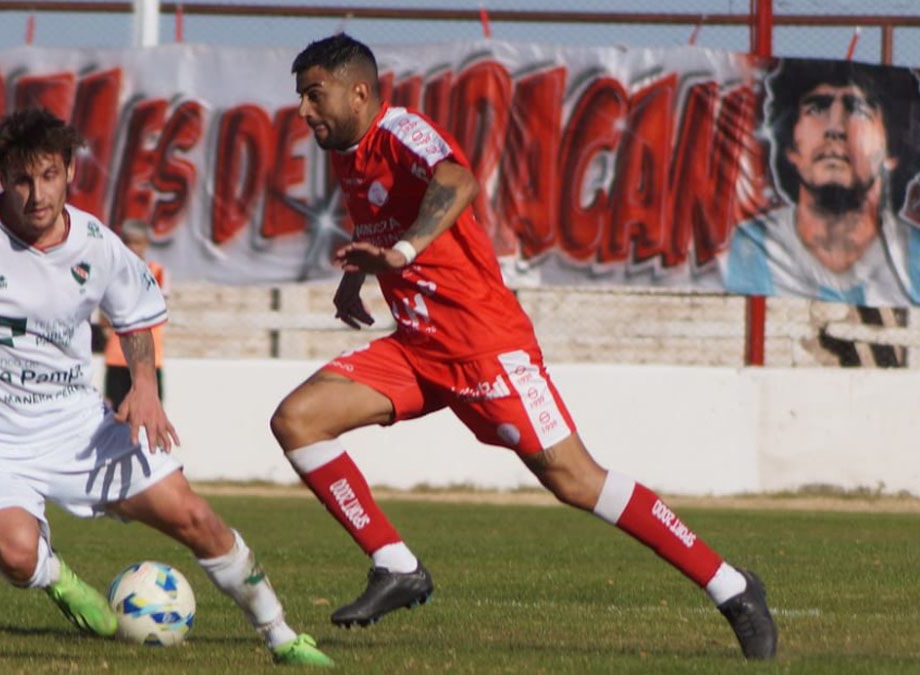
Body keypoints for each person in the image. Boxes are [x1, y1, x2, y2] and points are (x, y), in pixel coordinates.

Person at [271, 34, 777, 660]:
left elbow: (458, 181)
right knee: (297, 421)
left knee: (575, 479)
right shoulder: (348, 152)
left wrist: (400, 254)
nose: (304, 111)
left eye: (313, 96)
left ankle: (733, 588)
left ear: (359, 92)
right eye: (300, 97)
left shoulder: (402, 131)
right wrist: (359, 275)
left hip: (485, 347)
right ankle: (395, 564)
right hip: (418, 349)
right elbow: (378, 218)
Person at [0, 108, 333, 667]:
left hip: (79, 429)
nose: (36, 195)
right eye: (21, 179)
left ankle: (281, 634)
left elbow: (136, 316)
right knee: (16, 555)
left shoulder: (96, 244)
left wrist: (145, 386)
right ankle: (57, 578)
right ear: (0, 176)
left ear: (69, 172)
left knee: (195, 517)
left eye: (49, 176)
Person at [725, 58, 920, 306]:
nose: (835, 128)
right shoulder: (750, 250)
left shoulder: (913, 258)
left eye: (858, 109)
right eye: (817, 108)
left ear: (892, 150)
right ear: (790, 146)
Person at [103, 219, 166, 408]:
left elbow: (153, 311)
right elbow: (105, 317)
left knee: (150, 415)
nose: (133, 248)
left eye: (137, 242)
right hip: (117, 357)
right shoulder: (112, 272)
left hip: (149, 358)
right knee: (116, 416)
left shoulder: (157, 273)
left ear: (146, 243)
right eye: (128, 242)